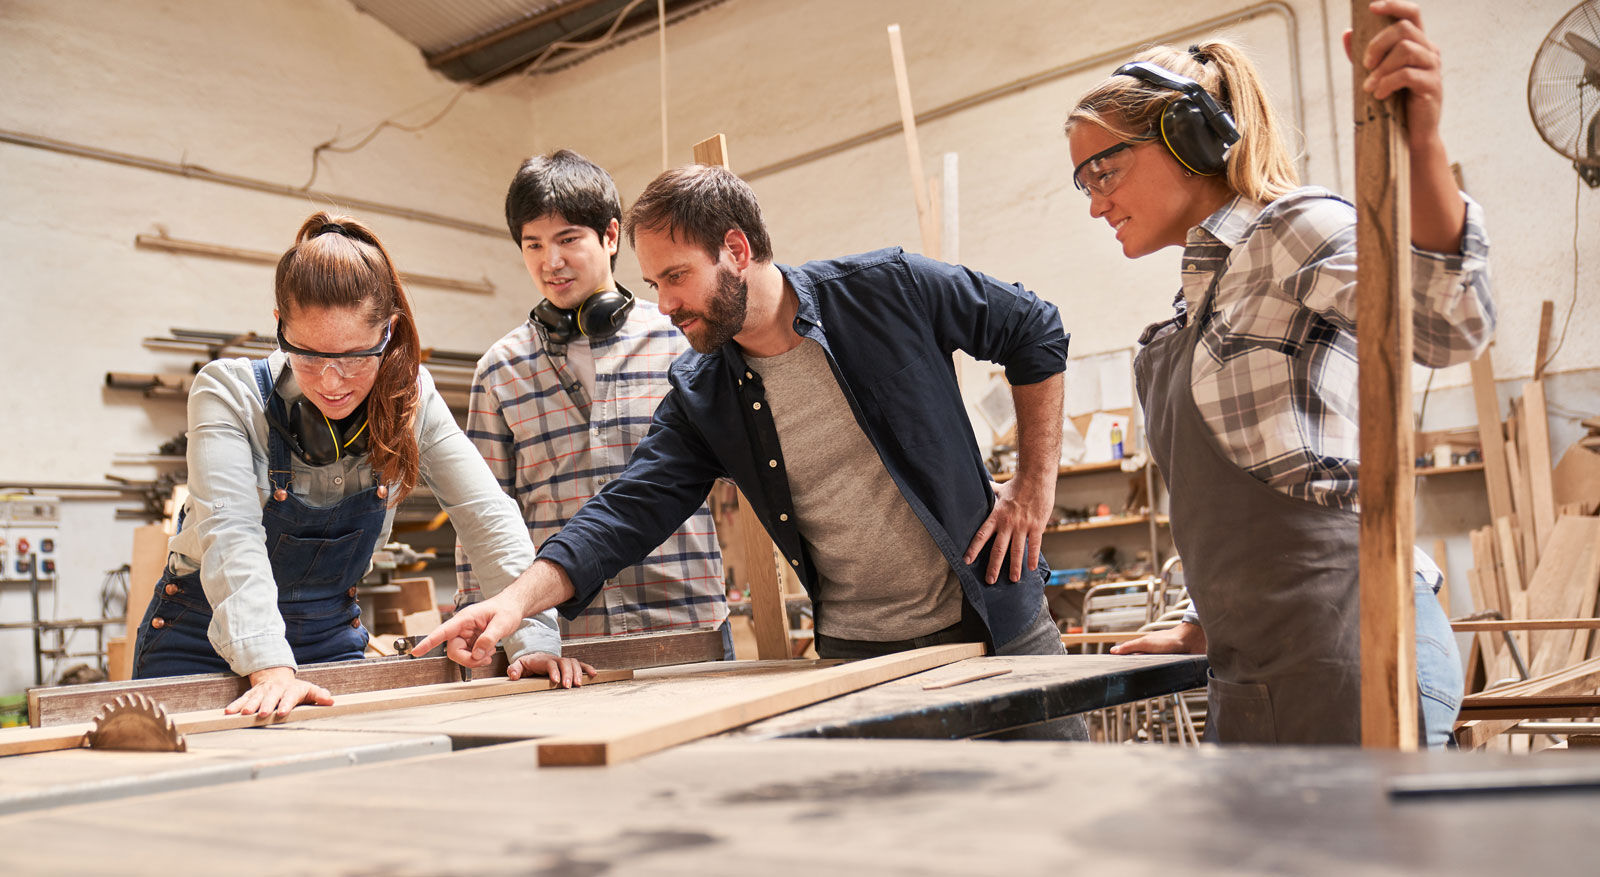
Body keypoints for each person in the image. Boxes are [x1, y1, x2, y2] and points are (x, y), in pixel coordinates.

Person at [412, 164, 1087, 738]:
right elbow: (624, 512)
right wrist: (517, 601)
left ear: (736, 247)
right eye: (654, 286)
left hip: (998, 627)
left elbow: (1033, 327)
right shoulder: (705, 390)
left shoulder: (887, 290)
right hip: (862, 662)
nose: (668, 305)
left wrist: (1033, 482)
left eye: (677, 276)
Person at [1064, 0, 1492, 745]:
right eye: (1083, 181)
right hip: (1253, 670)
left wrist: (1421, 145)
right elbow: (1237, 513)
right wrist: (1198, 622)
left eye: (1105, 167)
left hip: (1356, 645)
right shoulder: (1181, 318)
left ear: (1189, 137)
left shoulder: (1292, 230)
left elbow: (1447, 326)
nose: (1096, 200)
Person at [132, 212, 592, 718]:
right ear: (280, 326)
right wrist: (268, 665)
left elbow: (486, 515)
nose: (332, 382)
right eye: (308, 356)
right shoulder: (227, 393)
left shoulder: (412, 397)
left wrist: (531, 640)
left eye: (355, 357)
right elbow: (230, 535)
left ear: (388, 332)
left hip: (328, 640)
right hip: (200, 638)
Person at [455, 149, 729, 656]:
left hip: (688, 625)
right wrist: (492, 637)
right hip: (565, 642)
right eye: (532, 244)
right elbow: (484, 516)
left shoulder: (680, 340)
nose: (549, 262)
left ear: (611, 236)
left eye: (567, 240)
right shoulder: (500, 369)